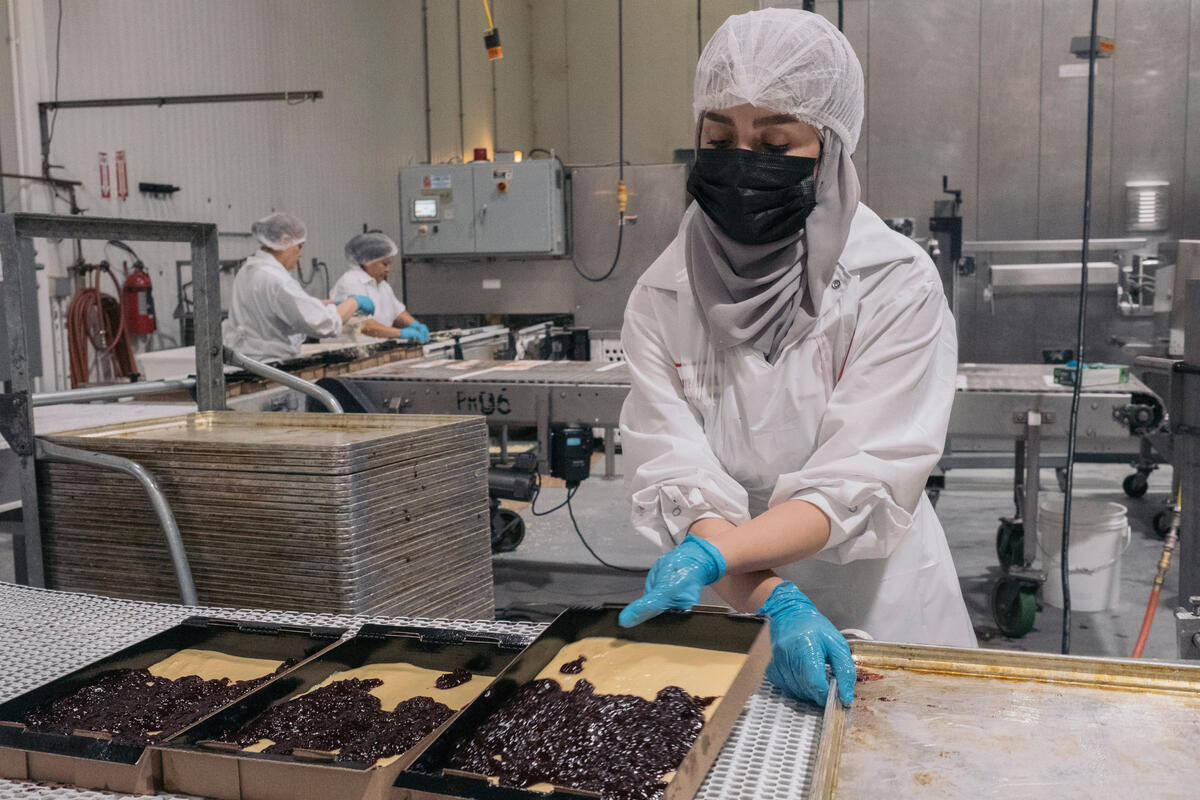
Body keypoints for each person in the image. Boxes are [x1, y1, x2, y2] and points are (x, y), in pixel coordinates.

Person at [617, 8, 976, 710]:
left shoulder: (891, 282)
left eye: (776, 144)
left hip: (880, 603)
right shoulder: (663, 293)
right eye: (720, 138)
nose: (743, 162)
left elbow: (861, 477)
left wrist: (721, 556)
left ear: (831, 149)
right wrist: (769, 595)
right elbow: (677, 470)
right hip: (739, 602)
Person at [224, 212, 371, 361]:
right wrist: (354, 302)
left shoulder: (248, 270)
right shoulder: (277, 279)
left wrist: (320, 304)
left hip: (246, 360)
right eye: (299, 247)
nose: (300, 254)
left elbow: (273, 310)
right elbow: (322, 324)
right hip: (269, 365)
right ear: (284, 241)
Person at [329, 232, 430, 344]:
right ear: (367, 261)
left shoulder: (383, 286)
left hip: (375, 347)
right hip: (349, 350)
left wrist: (414, 324)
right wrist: (400, 333)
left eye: (389, 264)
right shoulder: (350, 282)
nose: (388, 269)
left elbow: (398, 312)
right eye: (384, 264)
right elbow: (362, 324)